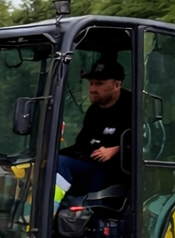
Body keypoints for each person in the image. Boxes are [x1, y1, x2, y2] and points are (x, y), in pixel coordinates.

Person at [54, 57, 131, 211]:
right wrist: (50, 154)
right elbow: (81, 145)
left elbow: (147, 141)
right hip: (90, 166)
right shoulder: (94, 111)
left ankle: (47, 216)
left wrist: (117, 149)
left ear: (117, 84)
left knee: (60, 164)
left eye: (99, 84)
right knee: (53, 161)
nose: (92, 89)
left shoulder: (133, 107)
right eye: (91, 83)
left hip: (115, 173)